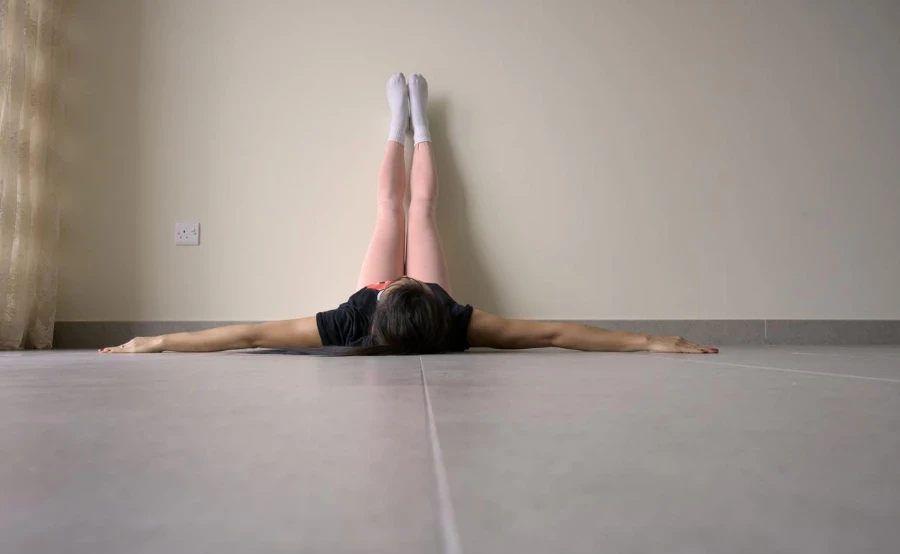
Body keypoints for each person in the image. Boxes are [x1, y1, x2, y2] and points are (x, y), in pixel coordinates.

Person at [100, 74, 718, 356]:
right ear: (424, 293)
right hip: (424, 308)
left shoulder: (349, 319)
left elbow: (248, 334)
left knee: (388, 211)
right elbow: (556, 333)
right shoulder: (456, 319)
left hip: (391, 312)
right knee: (419, 210)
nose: (397, 273)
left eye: (395, 280)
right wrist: (649, 341)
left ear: (380, 296)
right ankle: (420, 127)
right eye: (404, 279)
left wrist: (156, 341)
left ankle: (396, 127)